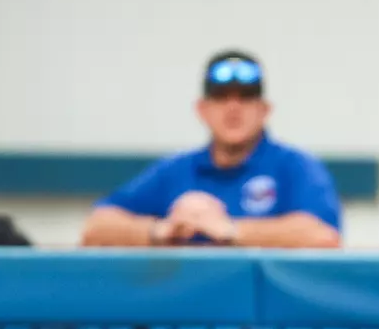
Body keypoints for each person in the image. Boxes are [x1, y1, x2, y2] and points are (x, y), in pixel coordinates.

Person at [80, 52, 341, 248]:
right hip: (185, 312)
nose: (233, 108)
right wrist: (160, 229)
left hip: (266, 318)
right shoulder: (176, 170)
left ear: (264, 110)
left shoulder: (295, 167)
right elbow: (96, 227)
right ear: (202, 110)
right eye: (221, 97)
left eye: (246, 97)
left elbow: (324, 236)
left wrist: (230, 230)